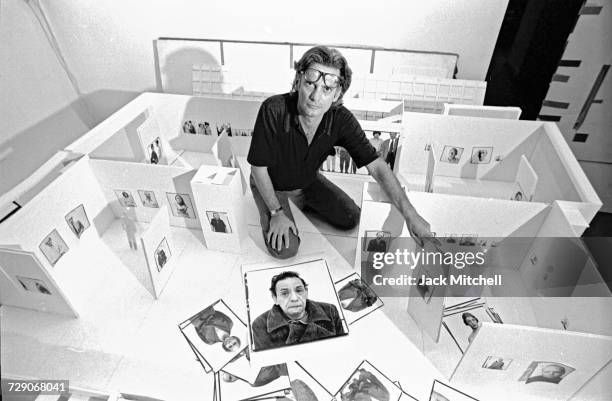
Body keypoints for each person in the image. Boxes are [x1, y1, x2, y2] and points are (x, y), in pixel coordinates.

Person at [247, 46, 433, 259]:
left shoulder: (341, 119)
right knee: (286, 249)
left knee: (350, 218)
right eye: (310, 84)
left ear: (337, 94)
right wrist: (276, 212)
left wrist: (410, 214)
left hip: (306, 181)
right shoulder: (273, 109)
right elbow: (258, 168)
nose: (315, 97)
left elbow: (377, 166)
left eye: (326, 90)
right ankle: (282, 205)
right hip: (271, 183)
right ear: (299, 80)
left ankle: (301, 201)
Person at [251, 271, 344, 351]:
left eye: (299, 290)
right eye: (284, 293)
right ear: (275, 298)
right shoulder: (260, 324)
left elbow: (342, 347)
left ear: (306, 292)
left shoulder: (330, 310)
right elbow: (270, 364)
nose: (294, 298)